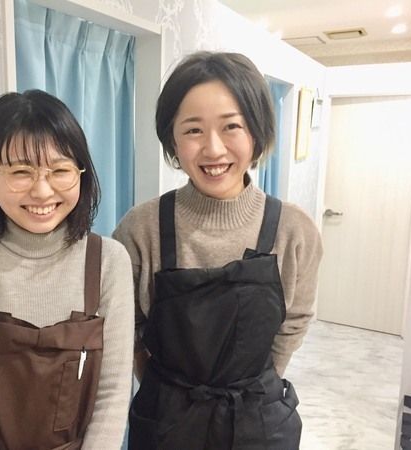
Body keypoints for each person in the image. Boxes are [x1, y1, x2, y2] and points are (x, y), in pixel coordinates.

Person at [112, 51, 323, 449]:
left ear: (256, 131)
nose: (213, 149)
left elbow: (295, 319)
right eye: (193, 130)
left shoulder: (294, 230)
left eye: (231, 126)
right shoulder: (141, 228)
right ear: (172, 139)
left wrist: (258, 383)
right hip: (166, 421)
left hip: (258, 420)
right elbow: (127, 327)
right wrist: (164, 389)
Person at [0, 90, 134, 450]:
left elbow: (111, 397)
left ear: (81, 173)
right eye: (21, 172)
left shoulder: (109, 261)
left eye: (60, 170)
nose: (42, 191)